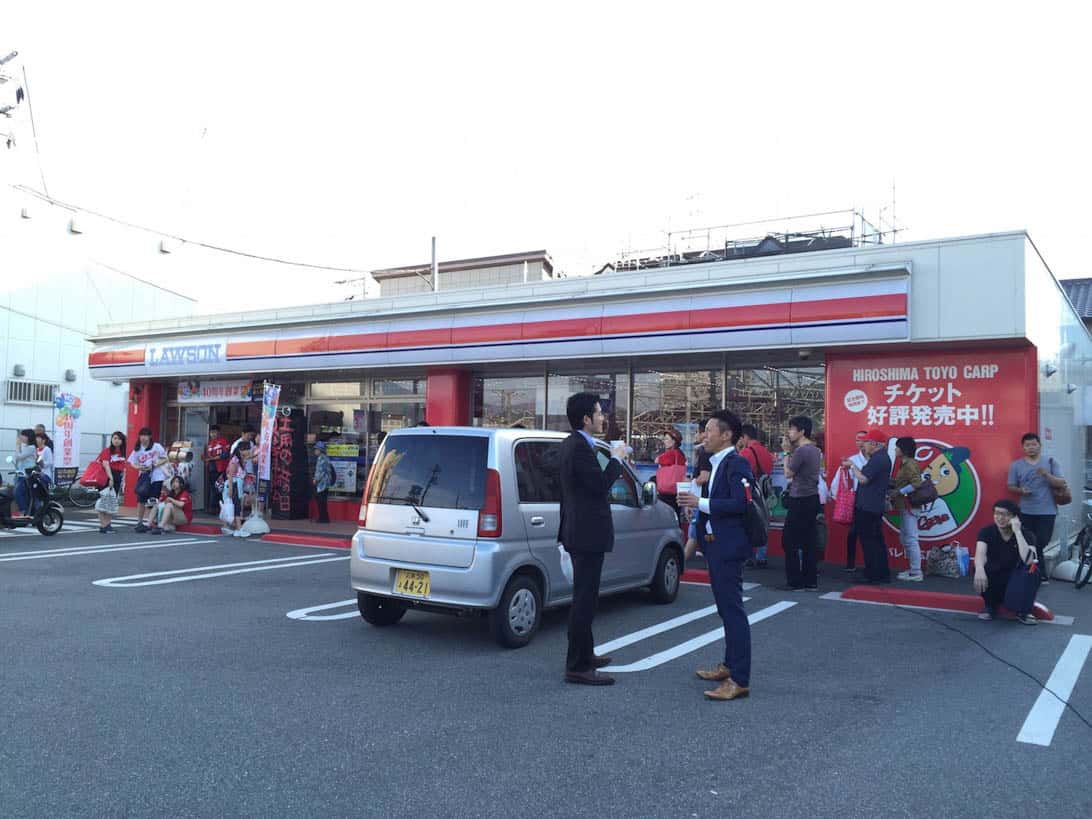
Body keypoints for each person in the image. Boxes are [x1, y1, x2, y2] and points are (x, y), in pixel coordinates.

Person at [677, 409, 754, 701]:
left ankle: (739, 679)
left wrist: (702, 501)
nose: (703, 435)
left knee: (732, 610)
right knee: (725, 609)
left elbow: (740, 503)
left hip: (729, 546)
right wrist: (697, 506)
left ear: (726, 435)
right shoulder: (716, 461)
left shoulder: (737, 463)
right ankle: (729, 665)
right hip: (715, 543)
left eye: (709, 430)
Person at [557, 392, 626, 686]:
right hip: (585, 534)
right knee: (584, 601)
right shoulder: (578, 448)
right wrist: (616, 460)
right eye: (599, 413)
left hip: (581, 531)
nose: (603, 418)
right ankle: (578, 665)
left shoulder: (576, 445)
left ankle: (586, 653)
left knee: (586, 598)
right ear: (586, 419)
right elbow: (598, 486)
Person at [1007, 432, 1066, 585]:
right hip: (1026, 510)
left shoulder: (1051, 462)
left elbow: (1061, 483)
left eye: (1034, 444)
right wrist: (1021, 491)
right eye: (1027, 445)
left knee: (1042, 541)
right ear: (1023, 448)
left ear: (1040, 445)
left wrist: (1046, 475)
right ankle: (1038, 574)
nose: (1031, 447)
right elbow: (1011, 486)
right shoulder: (1016, 465)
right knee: (1029, 541)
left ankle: (1035, 572)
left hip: (1047, 511)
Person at [973, 500, 1039, 624]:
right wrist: (979, 569)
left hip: (1016, 580)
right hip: (995, 577)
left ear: (1015, 517)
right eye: (997, 513)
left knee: (1033, 570)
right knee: (981, 567)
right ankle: (990, 606)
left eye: (1005, 514)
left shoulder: (1027, 534)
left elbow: (1029, 560)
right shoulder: (986, 532)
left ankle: (1024, 611)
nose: (1000, 518)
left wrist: (1018, 532)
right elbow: (980, 554)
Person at [843, 429, 893, 584]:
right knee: (876, 541)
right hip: (872, 505)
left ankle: (872, 574)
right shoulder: (881, 457)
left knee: (869, 541)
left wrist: (852, 466)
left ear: (873, 444)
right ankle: (880, 573)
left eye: (865, 442)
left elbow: (864, 479)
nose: (863, 445)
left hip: (869, 506)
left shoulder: (878, 459)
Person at [778, 415, 821, 591]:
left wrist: (786, 452)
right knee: (809, 541)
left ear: (801, 431)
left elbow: (788, 473)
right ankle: (810, 580)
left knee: (790, 541)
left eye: (791, 429)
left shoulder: (801, 451)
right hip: (811, 498)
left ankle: (795, 581)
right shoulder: (815, 450)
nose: (789, 433)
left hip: (799, 499)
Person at [830, 430, 868, 572]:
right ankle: (850, 562)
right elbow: (843, 480)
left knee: (870, 533)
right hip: (855, 498)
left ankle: (869, 563)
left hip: (870, 498)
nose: (860, 442)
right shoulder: (852, 459)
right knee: (853, 532)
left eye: (863, 439)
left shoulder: (875, 459)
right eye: (857, 440)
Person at [738, 424, 773, 568]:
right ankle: (762, 556)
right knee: (762, 522)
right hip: (765, 491)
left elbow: (741, 474)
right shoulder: (766, 452)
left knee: (748, 524)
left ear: (745, 437)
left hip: (750, 493)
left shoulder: (745, 453)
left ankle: (749, 556)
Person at [890, 436, 924, 581]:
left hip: (910, 506)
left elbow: (917, 483)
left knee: (910, 538)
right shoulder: (905, 464)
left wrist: (899, 491)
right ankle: (913, 569)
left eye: (897, 447)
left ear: (904, 450)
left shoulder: (910, 464)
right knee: (906, 538)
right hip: (906, 506)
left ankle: (916, 572)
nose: (895, 449)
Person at [128, 427, 168, 533]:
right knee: (141, 500)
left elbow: (165, 458)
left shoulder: (156, 446)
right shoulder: (137, 449)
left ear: (150, 436)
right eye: (141, 435)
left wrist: (155, 465)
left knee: (154, 500)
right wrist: (139, 467)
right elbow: (132, 462)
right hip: (144, 477)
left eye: (146, 435)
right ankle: (139, 522)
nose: (143, 438)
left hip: (157, 476)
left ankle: (150, 523)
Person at [685, 420, 713, 561]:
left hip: (701, 499)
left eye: (698, 432)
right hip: (703, 500)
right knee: (697, 533)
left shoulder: (705, 453)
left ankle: (683, 561)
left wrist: (692, 482)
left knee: (695, 533)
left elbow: (704, 477)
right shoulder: (702, 452)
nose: (696, 435)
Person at [95, 431, 127, 534]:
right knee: (103, 501)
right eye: (114, 438)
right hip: (107, 477)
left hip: (117, 477)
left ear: (122, 441)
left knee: (112, 501)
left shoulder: (123, 452)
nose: (116, 440)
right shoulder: (107, 451)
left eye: (119, 438)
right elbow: (106, 465)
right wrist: (111, 478)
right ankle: (103, 525)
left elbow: (124, 467)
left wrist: (123, 479)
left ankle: (107, 525)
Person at [655, 428, 687, 514]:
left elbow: (657, 460)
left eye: (666, 439)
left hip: (667, 492)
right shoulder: (681, 454)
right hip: (676, 491)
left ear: (674, 441)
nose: (664, 441)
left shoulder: (671, 453)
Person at [225, 440, 252, 534]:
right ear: (240, 450)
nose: (248, 451)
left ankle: (234, 527)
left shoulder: (242, 459)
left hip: (238, 485)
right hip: (234, 485)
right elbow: (230, 475)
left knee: (237, 506)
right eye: (246, 449)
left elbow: (251, 456)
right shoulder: (235, 460)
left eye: (249, 449)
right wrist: (230, 489)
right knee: (236, 506)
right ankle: (238, 528)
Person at [203, 425, 230, 515]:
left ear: (219, 432)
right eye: (211, 432)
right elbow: (207, 457)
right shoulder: (210, 444)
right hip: (211, 470)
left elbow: (226, 454)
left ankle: (220, 508)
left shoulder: (223, 441)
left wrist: (212, 459)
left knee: (221, 489)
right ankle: (212, 508)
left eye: (215, 432)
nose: (213, 434)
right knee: (213, 489)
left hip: (221, 469)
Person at [11, 429, 37, 515]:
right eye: (21, 435)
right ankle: (28, 512)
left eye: (23, 435)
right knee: (24, 494)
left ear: (29, 437)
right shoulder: (25, 446)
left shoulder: (31, 447)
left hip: (27, 475)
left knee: (17, 493)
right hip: (21, 474)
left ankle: (24, 510)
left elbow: (19, 456)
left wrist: (18, 446)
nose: (21, 437)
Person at [313, 441, 333, 524]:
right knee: (323, 501)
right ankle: (324, 517)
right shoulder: (325, 458)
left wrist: (315, 479)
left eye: (316, 449)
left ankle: (322, 518)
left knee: (321, 501)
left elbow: (320, 472)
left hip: (322, 483)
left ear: (320, 450)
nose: (315, 451)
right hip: (325, 483)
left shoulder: (321, 458)